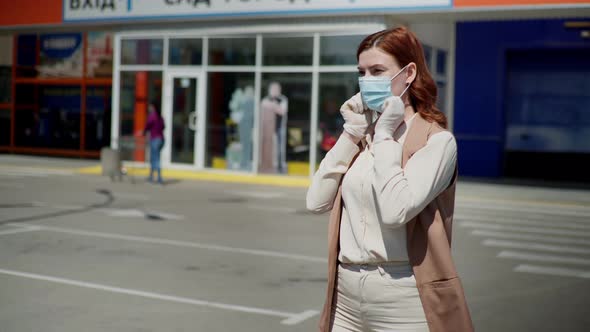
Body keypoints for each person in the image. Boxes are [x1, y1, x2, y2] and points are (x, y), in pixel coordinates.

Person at [306, 27, 473, 332]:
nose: (367, 80)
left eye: (378, 70)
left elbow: (397, 209)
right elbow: (316, 201)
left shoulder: (436, 141)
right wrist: (353, 132)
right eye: (362, 72)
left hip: (401, 298)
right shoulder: (361, 136)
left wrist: (384, 135)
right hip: (345, 294)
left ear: (408, 73)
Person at [260, 82, 288, 173]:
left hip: (279, 128)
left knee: (280, 149)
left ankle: (279, 167)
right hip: (267, 129)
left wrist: (273, 105)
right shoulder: (266, 99)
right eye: (273, 89)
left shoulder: (283, 99)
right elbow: (263, 104)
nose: (275, 91)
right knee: (267, 148)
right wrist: (275, 106)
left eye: (276, 89)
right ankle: (267, 165)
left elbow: (282, 111)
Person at [144, 102, 165, 184]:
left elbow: (147, 126)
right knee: (155, 158)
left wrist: (144, 132)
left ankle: (158, 178)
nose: (149, 108)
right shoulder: (160, 116)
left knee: (155, 159)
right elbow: (164, 126)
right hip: (161, 139)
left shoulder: (152, 116)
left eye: (149, 106)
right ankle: (152, 176)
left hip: (155, 139)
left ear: (153, 107)